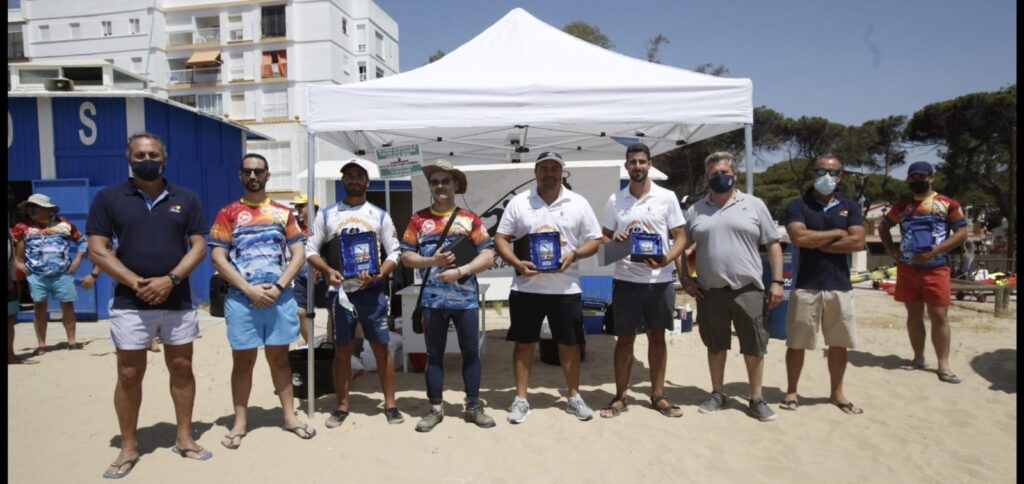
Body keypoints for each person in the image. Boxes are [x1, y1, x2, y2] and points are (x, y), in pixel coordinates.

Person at [87, 132, 212, 479]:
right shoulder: (109, 198)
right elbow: (97, 249)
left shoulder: (185, 198)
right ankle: (128, 446)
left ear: (165, 159)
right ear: (129, 158)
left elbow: (199, 247)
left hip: (178, 298)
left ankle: (185, 438)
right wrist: (135, 282)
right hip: (130, 300)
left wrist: (169, 280)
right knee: (129, 373)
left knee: (182, 367)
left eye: (153, 154)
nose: (147, 159)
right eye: (140, 154)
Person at [210, 154, 316, 449]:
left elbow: (298, 253)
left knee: (279, 359)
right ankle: (240, 422)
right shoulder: (227, 213)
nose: (253, 176)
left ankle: (289, 417)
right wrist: (249, 289)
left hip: (280, 299)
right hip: (242, 300)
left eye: (259, 171)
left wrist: (280, 286)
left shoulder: (284, 213)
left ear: (268, 175)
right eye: (248, 171)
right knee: (242, 362)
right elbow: (218, 256)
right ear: (240, 175)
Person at [493, 151, 604, 424]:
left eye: (555, 168)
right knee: (524, 344)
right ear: (535, 173)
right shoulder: (520, 203)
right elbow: (500, 237)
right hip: (526, 288)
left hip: (566, 289)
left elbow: (595, 239)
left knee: (569, 344)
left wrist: (574, 255)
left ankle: (574, 397)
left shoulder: (578, 202)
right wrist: (517, 262)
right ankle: (521, 399)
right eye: (544, 168)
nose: (550, 173)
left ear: (562, 173)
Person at [678, 151, 784, 422]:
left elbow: (773, 243)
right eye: (714, 174)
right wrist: (685, 279)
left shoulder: (754, 204)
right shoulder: (696, 209)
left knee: (754, 346)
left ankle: (756, 398)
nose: (720, 177)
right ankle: (717, 393)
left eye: (725, 172)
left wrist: (777, 281)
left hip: (748, 289)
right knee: (715, 345)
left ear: (735, 175)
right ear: (707, 178)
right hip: (710, 291)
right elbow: (681, 245)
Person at [400, 160, 497, 432]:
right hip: (432, 300)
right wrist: (432, 262)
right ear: (430, 187)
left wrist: (461, 271)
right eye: (435, 182)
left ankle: (474, 406)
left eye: (445, 181)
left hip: (465, 298)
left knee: (470, 353)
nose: (440, 186)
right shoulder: (417, 219)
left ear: (456, 185)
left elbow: (488, 255)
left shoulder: (470, 219)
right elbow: (406, 257)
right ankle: (435, 408)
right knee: (434, 355)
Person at [305, 160, 403, 427]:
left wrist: (382, 273)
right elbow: (310, 250)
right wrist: (328, 271)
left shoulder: (379, 215)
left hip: (372, 292)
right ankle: (342, 405)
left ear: (367, 182)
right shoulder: (326, 214)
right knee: (342, 350)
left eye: (360, 176)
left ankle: (391, 405)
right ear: (343, 181)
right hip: (340, 292)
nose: (354, 180)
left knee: (381, 349)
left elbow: (394, 251)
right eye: (349, 176)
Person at [598, 143, 687, 419]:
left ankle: (658, 394)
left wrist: (667, 259)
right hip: (626, 279)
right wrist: (616, 241)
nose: (637, 166)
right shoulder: (616, 200)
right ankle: (620, 396)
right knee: (624, 340)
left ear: (649, 165)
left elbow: (681, 236)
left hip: (660, 280)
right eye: (632, 162)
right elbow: (603, 239)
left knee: (657, 338)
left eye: (641, 162)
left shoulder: (667, 197)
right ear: (626, 167)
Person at [782, 155, 866, 415]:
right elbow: (798, 237)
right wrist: (837, 233)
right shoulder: (798, 205)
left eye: (834, 172)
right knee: (797, 342)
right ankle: (792, 390)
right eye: (821, 171)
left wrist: (816, 240)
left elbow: (858, 243)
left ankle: (836, 393)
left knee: (838, 343)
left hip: (839, 286)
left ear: (841, 176)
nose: (827, 176)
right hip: (806, 284)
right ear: (812, 174)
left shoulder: (849, 205)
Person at [879, 161, 968, 384]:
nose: (917, 180)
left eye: (921, 176)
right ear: (908, 179)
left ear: (931, 177)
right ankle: (918, 358)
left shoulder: (947, 203)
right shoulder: (902, 205)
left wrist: (934, 252)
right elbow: (883, 227)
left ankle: (943, 365)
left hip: (936, 268)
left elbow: (962, 232)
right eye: (912, 177)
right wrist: (892, 250)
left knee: (939, 317)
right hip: (908, 269)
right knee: (913, 315)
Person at [11, 193, 86, 354]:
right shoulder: (22, 227)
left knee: (67, 306)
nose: (31, 210)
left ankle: (72, 342)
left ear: (46, 209)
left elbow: (82, 241)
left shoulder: (64, 225)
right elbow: (14, 244)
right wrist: (18, 262)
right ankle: (41, 345)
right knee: (39, 308)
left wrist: (77, 260)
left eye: (34, 207)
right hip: (37, 276)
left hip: (62, 274)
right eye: (29, 207)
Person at [290, 194, 327, 345]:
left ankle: (330, 343)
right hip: (301, 277)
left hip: (322, 276)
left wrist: (323, 263)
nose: (297, 209)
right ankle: (310, 344)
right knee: (300, 311)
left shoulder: (324, 226)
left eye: (301, 206)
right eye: (296, 206)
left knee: (332, 310)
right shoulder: (296, 229)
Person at [8, 218, 38, 365]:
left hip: (9, 282)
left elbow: (17, 249)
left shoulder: (12, 234)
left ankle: (10, 356)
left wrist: (18, 262)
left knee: (9, 320)